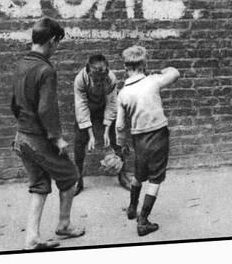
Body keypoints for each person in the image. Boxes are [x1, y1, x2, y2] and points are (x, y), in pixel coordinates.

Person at [11, 18, 85, 250]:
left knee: (40, 185)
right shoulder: (45, 69)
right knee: (71, 176)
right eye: (58, 43)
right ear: (52, 41)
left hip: (21, 137)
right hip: (38, 139)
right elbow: (46, 109)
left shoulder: (21, 64)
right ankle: (63, 224)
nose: (57, 48)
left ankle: (32, 237)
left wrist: (25, 124)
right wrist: (56, 138)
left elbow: (14, 103)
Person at [115, 45, 180, 237]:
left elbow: (119, 126)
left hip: (138, 138)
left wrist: (122, 143)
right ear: (144, 64)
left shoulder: (123, 93)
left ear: (125, 66)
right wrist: (162, 71)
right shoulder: (153, 81)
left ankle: (132, 207)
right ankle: (143, 220)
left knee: (138, 174)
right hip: (158, 135)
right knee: (156, 178)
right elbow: (175, 73)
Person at [73, 54, 131, 196]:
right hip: (87, 109)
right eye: (95, 78)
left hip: (104, 107)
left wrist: (106, 130)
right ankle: (78, 179)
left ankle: (122, 175)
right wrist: (91, 134)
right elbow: (81, 106)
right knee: (79, 142)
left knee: (117, 138)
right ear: (88, 71)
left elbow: (112, 104)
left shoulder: (110, 78)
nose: (99, 81)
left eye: (102, 77)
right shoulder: (80, 79)